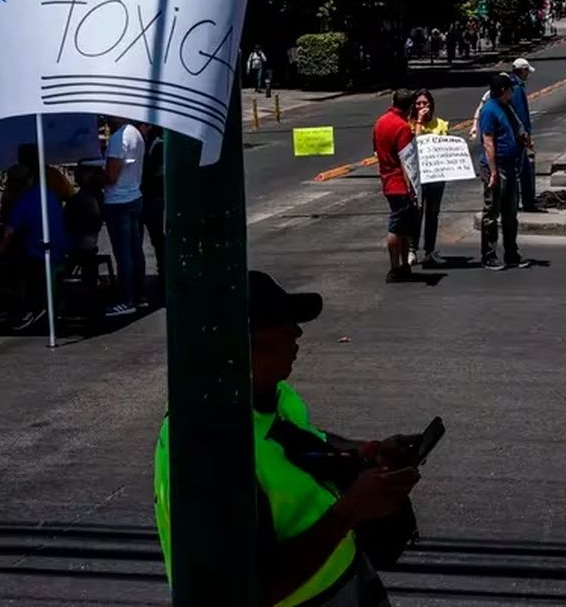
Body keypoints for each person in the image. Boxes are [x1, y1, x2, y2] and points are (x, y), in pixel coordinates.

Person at [154, 271, 424, 603]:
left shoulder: (265, 394)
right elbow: (249, 590)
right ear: (244, 346)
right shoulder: (210, 453)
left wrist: (366, 450)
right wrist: (349, 511)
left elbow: (299, 439)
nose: (297, 332)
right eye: (283, 325)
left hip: (344, 581)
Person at [0, 147, 69, 333]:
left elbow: (8, 235)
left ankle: (25, 305)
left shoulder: (24, 202)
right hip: (58, 247)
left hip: (41, 253)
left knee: (7, 262)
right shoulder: (49, 193)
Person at [478, 74, 529, 271]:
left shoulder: (507, 107)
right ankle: (489, 254)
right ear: (502, 90)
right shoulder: (490, 111)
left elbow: (516, 128)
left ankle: (511, 252)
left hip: (510, 165)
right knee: (492, 212)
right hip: (496, 167)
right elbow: (488, 142)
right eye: (510, 89)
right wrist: (492, 172)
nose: (512, 92)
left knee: (510, 213)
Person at [372, 89, 419, 281]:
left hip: (387, 180)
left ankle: (403, 265)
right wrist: (413, 189)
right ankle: (395, 267)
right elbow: (406, 161)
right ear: (409, 107)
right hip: (400, 184)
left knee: (404, 228)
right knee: (397, 227)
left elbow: (376, 150)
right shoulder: (403, 127)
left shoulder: (380, 122)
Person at [104, 117, 147, 316]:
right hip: (134, 196)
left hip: (118, 201)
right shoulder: (136, 133)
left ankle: (125, 299)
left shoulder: (117, 138)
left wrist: (94, 176)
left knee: (124, 254)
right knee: (135, 249)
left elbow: (111, 177)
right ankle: (139, 296)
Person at [410, 89, 448, 266]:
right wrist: (418, 121)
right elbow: (415, 144)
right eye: (418, 104)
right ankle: (412, 249)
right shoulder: (410, 124)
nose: (422, 106)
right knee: (416, 213)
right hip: (418, 177)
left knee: (433, 214)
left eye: (424, 103)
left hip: (436, 176)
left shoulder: (440, 124)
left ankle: (429, 251)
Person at [510, 58, 539, 212]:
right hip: (519, 138)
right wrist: (526, 137)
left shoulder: (513, 85)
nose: (528, 75)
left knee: (524, 170)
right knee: (521, 171)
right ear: (522, 70)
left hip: (517, 136)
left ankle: (527, 201)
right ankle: (523, 203)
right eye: (527, 71)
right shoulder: (517, 88)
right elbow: (520, 115)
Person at [141, 125, 165, 262]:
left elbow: (149, 173)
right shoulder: (155, 144)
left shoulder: (156, 145)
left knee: (159, 240)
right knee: (159, 240)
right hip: (155, 196)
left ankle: (163, 272)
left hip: (154, 197)